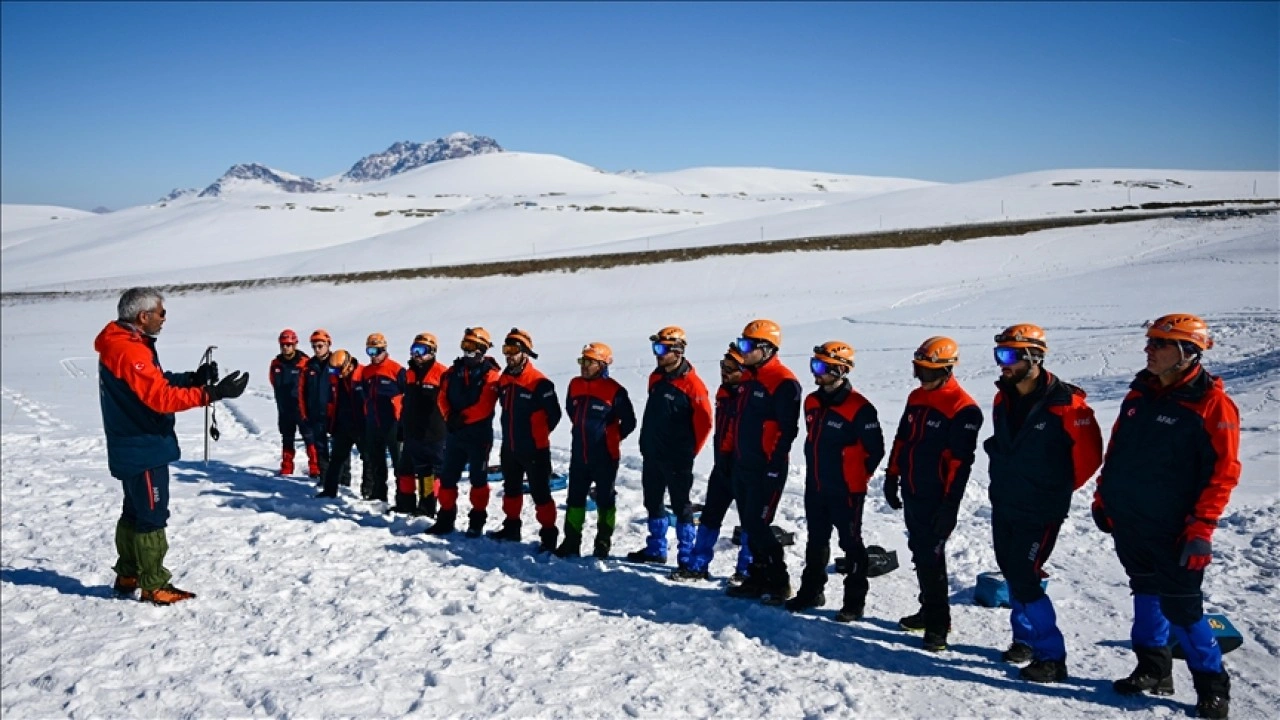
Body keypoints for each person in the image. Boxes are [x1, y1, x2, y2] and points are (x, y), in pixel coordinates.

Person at [1093, 314, 1239, 719]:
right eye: (1150, 342)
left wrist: (1202, 527)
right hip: (1132, 521)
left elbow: (1223, 473)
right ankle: (1153, 669)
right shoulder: (1139, 395)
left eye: (1160, 344)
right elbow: (1118, 451)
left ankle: (1212, 687)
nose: (1149, 350)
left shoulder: (1211, 404)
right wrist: (1105, 497)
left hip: (1177, 530)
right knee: (1144, 593)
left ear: (1188, 351)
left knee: (1183, 609)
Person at [96, 287, 248, 605]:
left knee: (134, 510)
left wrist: (194, 378)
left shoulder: (124, 342)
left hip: (131, 441)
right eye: (161, 313)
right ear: (143, 316)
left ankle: (128, 573)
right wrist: (212, 393)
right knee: (151, 514)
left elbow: (156, 380)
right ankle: (153, 584)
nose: (164, 319)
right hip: (142, 444)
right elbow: (160, 398)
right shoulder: (131, 351)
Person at [984, 323, 1102, 682]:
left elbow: (1088, 459)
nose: (1002, 364)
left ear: (1034, 357)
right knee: (1012, 572)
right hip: (1005, 501)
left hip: (1040, 509)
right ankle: (1025, 640)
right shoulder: (1003, 397)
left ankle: (1052, 655)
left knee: (1026, 576)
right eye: (998, 354)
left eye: (1008, 356)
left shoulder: (1068, 405)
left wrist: (1050, 489)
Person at [884, 336, 984, 652]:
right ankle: (928, 610)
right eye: (918, 371)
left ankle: (939, 624)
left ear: (946, 370)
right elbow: (902, 439)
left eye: (927, 373)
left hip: (937, 496)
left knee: (932, 557)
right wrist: (891, 475)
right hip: (912, 488)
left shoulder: (963, 408)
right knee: (920, 552)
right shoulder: (916, 398)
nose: (920, 378)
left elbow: (960, 464)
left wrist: (950, 506)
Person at [784, 341, 885, 620]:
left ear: (841, 370)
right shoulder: (812, 401)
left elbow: (875, 450)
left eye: (821, 367)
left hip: (847, 490)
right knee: (816, 542)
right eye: (813, 365)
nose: (815, 372)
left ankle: (854, 603)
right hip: (816, 486)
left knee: (851, 544)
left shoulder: (860, 408)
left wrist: (854, 475)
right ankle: (811, 592)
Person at [725, 319, 802, 604]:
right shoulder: (748, 377)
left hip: (766, 467)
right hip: (743, 464)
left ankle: (779, 582)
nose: (742, 351)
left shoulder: (783, 382)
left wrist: (774, 465)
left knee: (759, 525)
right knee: (749, 524)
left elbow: (788, 430)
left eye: (747, 345)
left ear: (766, 348)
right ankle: (757, 579)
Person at [628, 326, 712, 568]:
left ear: (678, 351)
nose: (658, 354)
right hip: (653, 453)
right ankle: (656, 549)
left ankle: (686, 556)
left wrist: (688, 452)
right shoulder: (656, 377)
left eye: (662, 349)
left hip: (677, 458)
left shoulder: (692, 385)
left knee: (681, 505)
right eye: (656, 348)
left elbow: (705, 423)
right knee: (652, 501)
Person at [672, 343, 754, 583]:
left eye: (730, 368)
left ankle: (745, 571)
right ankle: (698, 565)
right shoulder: (723, 392)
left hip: (745, 467)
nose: (724, 372)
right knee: (710, 516)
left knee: (749, 521)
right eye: (723, 366)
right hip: (722, 466)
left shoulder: (752, 396)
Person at [556, 342, 636, 558]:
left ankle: (602, 543)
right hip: (579, 455)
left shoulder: (615, 391)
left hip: (605, 457)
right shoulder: (574, 385)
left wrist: (612, 437)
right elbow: (571, 411)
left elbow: (629, 421)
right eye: (582, 361)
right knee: (574, 499)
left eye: (589, 362)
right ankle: (571, 542)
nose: (584, 366)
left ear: (602, 365)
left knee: (605, 500)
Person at [490, 328, 562, 550]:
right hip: (510, 447)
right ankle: (512, 528)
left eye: (513, 350)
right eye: (505, 349)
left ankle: (549, 536)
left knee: (541, 494)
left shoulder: (539, 382)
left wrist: (537, 434)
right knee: (511, 490)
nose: (508, 355)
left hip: (534, 449)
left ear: (525, 353)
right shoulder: (504, 379)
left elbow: (555, 415)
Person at [428, 327, 503, 537]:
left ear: (482, 349)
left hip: (478, 436)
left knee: (478, 479)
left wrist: (460, 419)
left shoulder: (491, 375)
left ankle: (477, 521)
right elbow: (442, 396)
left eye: (471, 347)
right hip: (455, 433)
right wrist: (448, 416)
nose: (467, 352)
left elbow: (485, 405)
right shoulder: (452, 372)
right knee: (447, 477)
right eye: (465, 347)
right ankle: (445, 518)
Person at [394, 333, 446, 516]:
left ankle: (427, 506)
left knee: (427, 472)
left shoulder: (441, 373)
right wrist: (401, 426)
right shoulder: (409, 373)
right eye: (414, 350)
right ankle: (405, 504)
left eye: (421, 350)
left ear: (432, 352)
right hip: (412, 431)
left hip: (433, 432)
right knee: (405, 469)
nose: (416, 354)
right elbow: (406, 402)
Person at [358, 332, 403, 503]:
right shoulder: (366, 372)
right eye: (370, 352)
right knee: (376, 460)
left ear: (384, 350)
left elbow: (407, 394)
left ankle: (403, 497)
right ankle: (378, 494)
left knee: (399, 463)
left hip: (392, 423)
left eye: (377, 351)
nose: (374, 356)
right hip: (373, 422)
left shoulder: (396, 370)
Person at [317, 349, 362, 499]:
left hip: (361, 426)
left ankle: (371, 493)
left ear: (348, 365)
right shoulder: (335, 379)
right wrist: (331, 422)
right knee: (336, 460)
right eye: (333, 370)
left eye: (338, 369)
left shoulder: (362, 376)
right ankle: (329, 490)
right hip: (342, 425)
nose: (336, 373)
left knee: (369, 460)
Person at [269, 329, 309, 476]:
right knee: (287, 437)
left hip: (302, 408)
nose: (285, 347)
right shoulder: (276, 364)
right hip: (284, 408)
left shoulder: (304, 363)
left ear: (295, 344)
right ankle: (286, 467)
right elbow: (273, 381)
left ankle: (315, 467)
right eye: (283, 345)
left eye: (289, 344)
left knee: (309, 437)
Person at [298, 329, 335, 481]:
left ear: (328, 344)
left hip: (335, 413)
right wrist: (304, 413)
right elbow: (301, 391)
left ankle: (343, 480)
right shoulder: (308, 366)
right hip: (316, 413)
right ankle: (325, 478)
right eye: (314, 346)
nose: (317, 349)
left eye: (320, 345)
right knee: (320, 448)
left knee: (340, 449)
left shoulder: (337, 362)